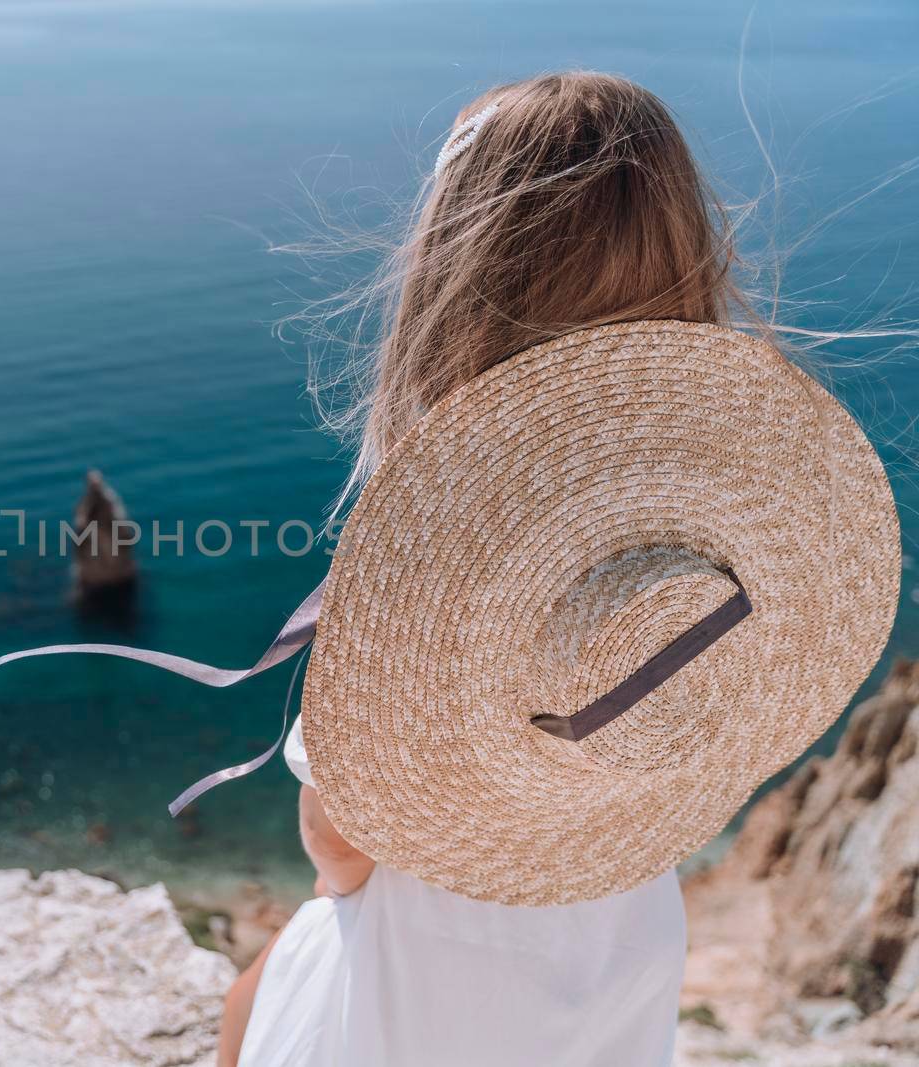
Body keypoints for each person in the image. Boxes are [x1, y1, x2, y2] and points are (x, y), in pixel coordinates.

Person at [215, 71, 899, 1066]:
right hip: (621, 930)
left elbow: (345, 836)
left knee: (259, 999)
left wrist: (334, 885)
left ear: (450, 278)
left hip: (436, 970)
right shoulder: (707, 510)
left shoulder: (441, 558)